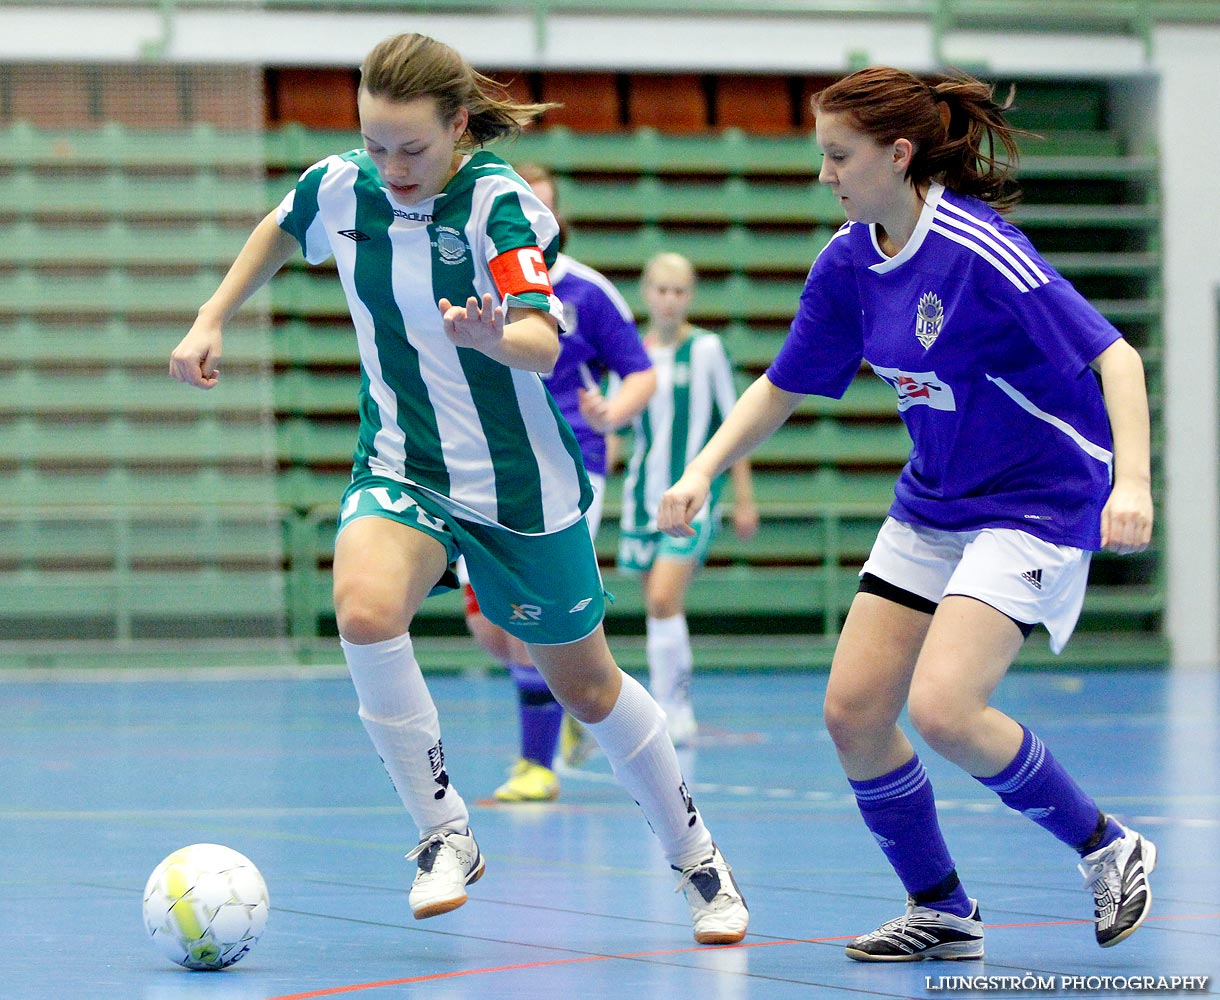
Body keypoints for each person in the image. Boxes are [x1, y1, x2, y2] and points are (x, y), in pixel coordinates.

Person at [169, 32, 747, 946]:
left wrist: (493, 340)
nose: (391, 166)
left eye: (413, 148)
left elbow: (545, 340)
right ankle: (445, 832)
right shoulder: (339, 187)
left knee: (588, 688)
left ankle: (696, 856)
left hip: (520, 486)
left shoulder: (497, 205)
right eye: (375, 143)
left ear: (460, 127)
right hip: (402, 463)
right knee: (363, 610)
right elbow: (280, 230)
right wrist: (211, 317)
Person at [657, 66, 1155, 961]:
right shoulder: (849, 260)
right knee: (853, 712)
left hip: (1037, 500)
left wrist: (1136, 486)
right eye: (821, 157)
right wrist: (703, 468)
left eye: (839, 156)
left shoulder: (980, 249)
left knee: (946, 708)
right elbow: (783, 384)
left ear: (898, 153)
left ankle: (1109, 846)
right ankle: (945, 909)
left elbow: (1116, 358)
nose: (826, 175)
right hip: (935, 501)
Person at [460, 163, 656, 803]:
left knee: (525, 618)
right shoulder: (468, 281)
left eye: (541, 210)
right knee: (492, 628)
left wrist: (615, 413)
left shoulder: (587, 293)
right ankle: (575, 696)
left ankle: (535, 767)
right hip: (481, 465)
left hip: (569, 464)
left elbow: (639, 373)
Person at [620, 252, 758, 746]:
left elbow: (735, 423)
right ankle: (670, 702)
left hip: (694, 499)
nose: (669, 299)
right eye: (661, 289)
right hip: (641, 497)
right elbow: (621, 423)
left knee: (663, 597)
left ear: (691, 296)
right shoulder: (633, 353)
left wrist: (743, 496)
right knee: (658, 606)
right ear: (646, 292)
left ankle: (672, 710)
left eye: (679, 290)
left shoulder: (707, 350)